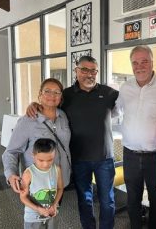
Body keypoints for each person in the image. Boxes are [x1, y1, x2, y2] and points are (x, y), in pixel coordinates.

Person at [27, 56, 119, 229]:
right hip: (78, 159)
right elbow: (49, 104)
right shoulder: (66, 95)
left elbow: (129, 104)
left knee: (108, 202)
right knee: (85, 201)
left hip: (104, 158)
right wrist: (34, 104)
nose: (89, 74)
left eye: (93, 71)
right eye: (84, 70)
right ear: (76, 70)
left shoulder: (109, 93)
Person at [116, 45, 156, 228]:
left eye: (144, 61)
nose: (139, 66)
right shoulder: (125, 88)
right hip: (130, 155)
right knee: (132, 199)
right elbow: (114, 110)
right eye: (135, 62)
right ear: (131, 65)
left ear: (152, 62)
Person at [2, 78, 71, 193]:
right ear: (40, 95)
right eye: (47, 91)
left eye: (56, 92)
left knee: (54, 210)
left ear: (61, 97)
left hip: (61, 181)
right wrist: (10, 174)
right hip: (37, 184)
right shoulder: (28, 120)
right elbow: (11, 151)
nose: (52, 95)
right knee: (35, 211)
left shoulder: (63, 116)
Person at [20, 138, 63, 229]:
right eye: (41, 160)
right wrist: (38, 209)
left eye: (50, 160)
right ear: (33, 156)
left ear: (54, 155)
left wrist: (55, 204)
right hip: (33, 218)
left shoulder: (57, 169)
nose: (45, 164)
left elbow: (60, 188)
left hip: (52, 214)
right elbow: (23, 197)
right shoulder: (28, 174)